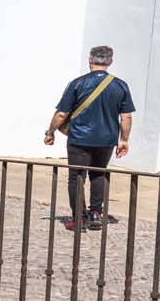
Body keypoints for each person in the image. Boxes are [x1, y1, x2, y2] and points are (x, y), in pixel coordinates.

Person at [46, 44, 134, 233]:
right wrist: (124, 140)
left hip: (79, 139)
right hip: (107, 140)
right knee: (98, 174)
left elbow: (62, 114)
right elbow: (126, 116)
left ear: (90, 60)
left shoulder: (77, 83)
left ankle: (79, 219)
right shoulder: (120, 85)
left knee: (76, 177)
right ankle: (96, 214)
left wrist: (50, 132)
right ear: (110, 61)